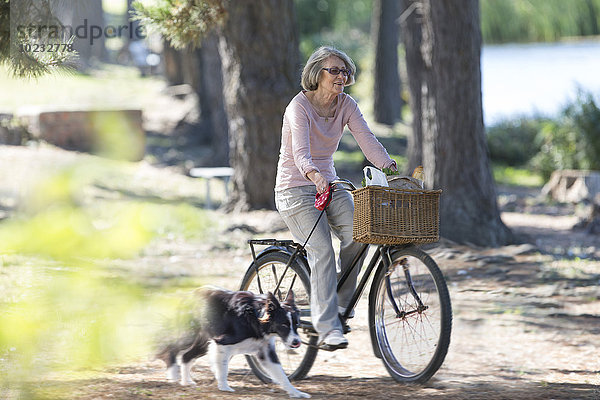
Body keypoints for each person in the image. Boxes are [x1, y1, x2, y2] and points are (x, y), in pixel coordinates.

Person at [274, 46, 397, 349]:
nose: (342, 76)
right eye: (334, 70)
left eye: (345, 71)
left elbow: (367, 139)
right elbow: (301, 154)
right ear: (317, 74)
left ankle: (341, 306)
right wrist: (314, 176)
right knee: (321, 250)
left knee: (360, 231)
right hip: (295, 187)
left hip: (329, 182)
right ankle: (327, 328)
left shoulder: (346, 104)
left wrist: (389, 165)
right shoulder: (298, 107)